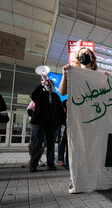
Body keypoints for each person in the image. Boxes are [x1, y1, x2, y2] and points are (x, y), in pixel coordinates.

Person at [60, 47, 98, 193]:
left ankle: (90, 177)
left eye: (87, 53)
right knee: (76, 148)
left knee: (91, 148)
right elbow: (63, 91)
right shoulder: (73, 73)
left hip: (93, 117)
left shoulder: (97, 76)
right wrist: (64, 74)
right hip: (77, 117)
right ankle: (75, 179)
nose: (84, 56)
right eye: (81, 54)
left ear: (92, 58)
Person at [30, 76, 65, 172]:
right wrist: (42, 84)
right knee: (36, 144)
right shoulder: (40, 93)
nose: (50, 85)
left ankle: (51, 164)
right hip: (39, 123)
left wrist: (63, 123)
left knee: (51, 145)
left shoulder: (56, 97)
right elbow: (33, 95)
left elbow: (60, 111)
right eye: (48, 83)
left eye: (51, 84)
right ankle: (33, 164)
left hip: (52, 124)